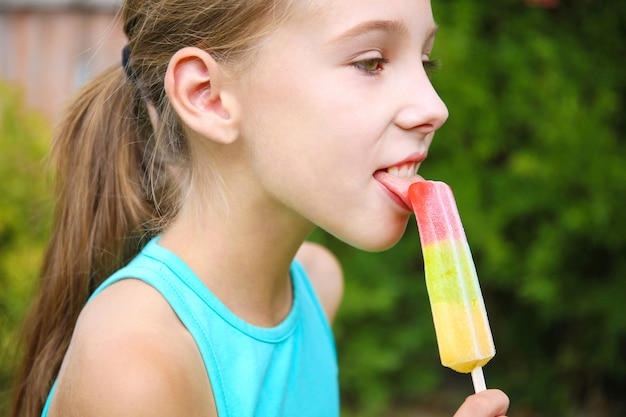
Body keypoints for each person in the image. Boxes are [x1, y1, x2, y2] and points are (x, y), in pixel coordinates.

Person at [10, 0, 510, 416]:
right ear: (208, 97)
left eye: (426, 63)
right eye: (371, 61)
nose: (434, 107)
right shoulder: (135, 365)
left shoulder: (315, 286)